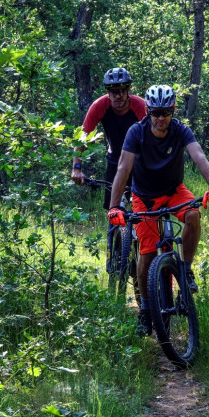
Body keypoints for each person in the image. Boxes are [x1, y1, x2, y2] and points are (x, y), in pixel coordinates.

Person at [107, 84, 209, 335]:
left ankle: (186, 269)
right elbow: (123, 169)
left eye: (165, 112)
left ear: (173, 110)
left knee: (193, 214)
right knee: (147, 252)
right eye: (156, 112)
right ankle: (146, 309)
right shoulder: (136, 133)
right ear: (148, 111)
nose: (161, 118)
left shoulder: (181, 130)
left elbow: (198, 155)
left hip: (173, 191)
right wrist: (114, 207)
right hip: (145, 197)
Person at [71, 68, 148, 272]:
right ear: (107, 92)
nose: (118, 96)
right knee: (114, 209)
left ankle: (144, 251)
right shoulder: (100, 106)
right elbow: (83, 137)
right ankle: (113, 253)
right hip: (115, 161)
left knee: (145, 209)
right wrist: (77, 167)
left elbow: (151, 137)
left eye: (122, 90)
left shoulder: (140, 106)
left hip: (140, 162)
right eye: (113, 91)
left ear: (128, 90)